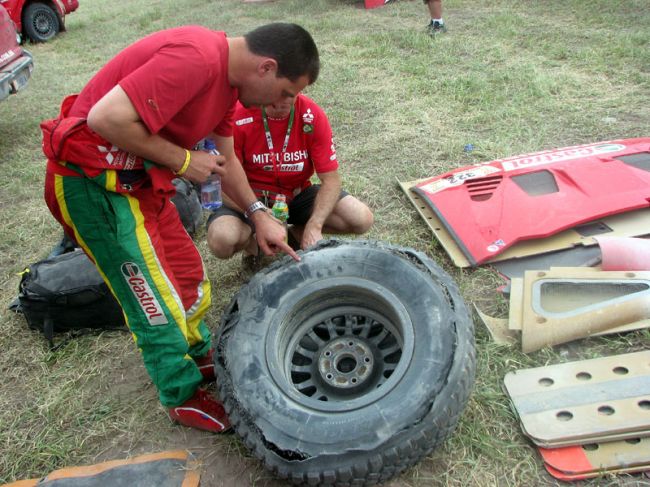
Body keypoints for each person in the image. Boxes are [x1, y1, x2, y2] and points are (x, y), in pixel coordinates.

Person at [40, 23, 319, 433]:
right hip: (93, 185)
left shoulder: (227, 82)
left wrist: (258, 213)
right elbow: (105, 118)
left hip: (137, 182)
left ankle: (196, 353)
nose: (281, 104)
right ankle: (181, 394)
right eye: (285, 92)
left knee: (187, 275)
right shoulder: (198, 57)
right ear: (266, 67)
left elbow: (226, 161)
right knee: (152, 295)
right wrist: (185, 161)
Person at [206, 93, 373, 262]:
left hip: (295, 195)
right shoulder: (238, 114)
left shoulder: (311, 114)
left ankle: (293, 236)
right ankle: (254, 246)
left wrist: (315, 224)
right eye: (274, 95)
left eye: (288, 95)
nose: (279, 103)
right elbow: (221, 182)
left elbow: (331, 180)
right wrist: (258, 212)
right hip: (248, 196)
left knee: (360, 217)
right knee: (222, 239)